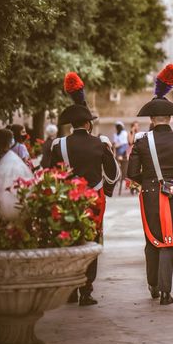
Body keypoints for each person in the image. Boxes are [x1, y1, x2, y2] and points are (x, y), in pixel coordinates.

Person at [127, 64, 173, 306]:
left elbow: (131, 172)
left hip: (150, 194)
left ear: (151, 119)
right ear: (169, 118)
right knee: (170, 240)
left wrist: (148, 182)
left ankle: (153, 285)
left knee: (152, 239)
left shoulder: (141, 141)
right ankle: (166, 291)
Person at [49, 72, 120, 306]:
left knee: (69, 240)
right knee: (91, 242)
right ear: (88, 123)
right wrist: (106, 190)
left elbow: (51, 174)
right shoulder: (100, 143)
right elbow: (114, 174)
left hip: (68, 199)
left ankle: (70, 288)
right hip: (93, 199)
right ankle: (86, 291)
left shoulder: (58, 145)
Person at [0, 129, 33, 219]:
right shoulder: (5, 155)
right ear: (6, 140)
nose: (13, 140)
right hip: (2, 184)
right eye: (12, 138)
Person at [113, 121, 129, 195]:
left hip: (123, 151)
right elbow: (115, 143)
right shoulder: (115, 134)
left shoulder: (124, 133)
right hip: (118, 151)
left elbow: (124, 143)